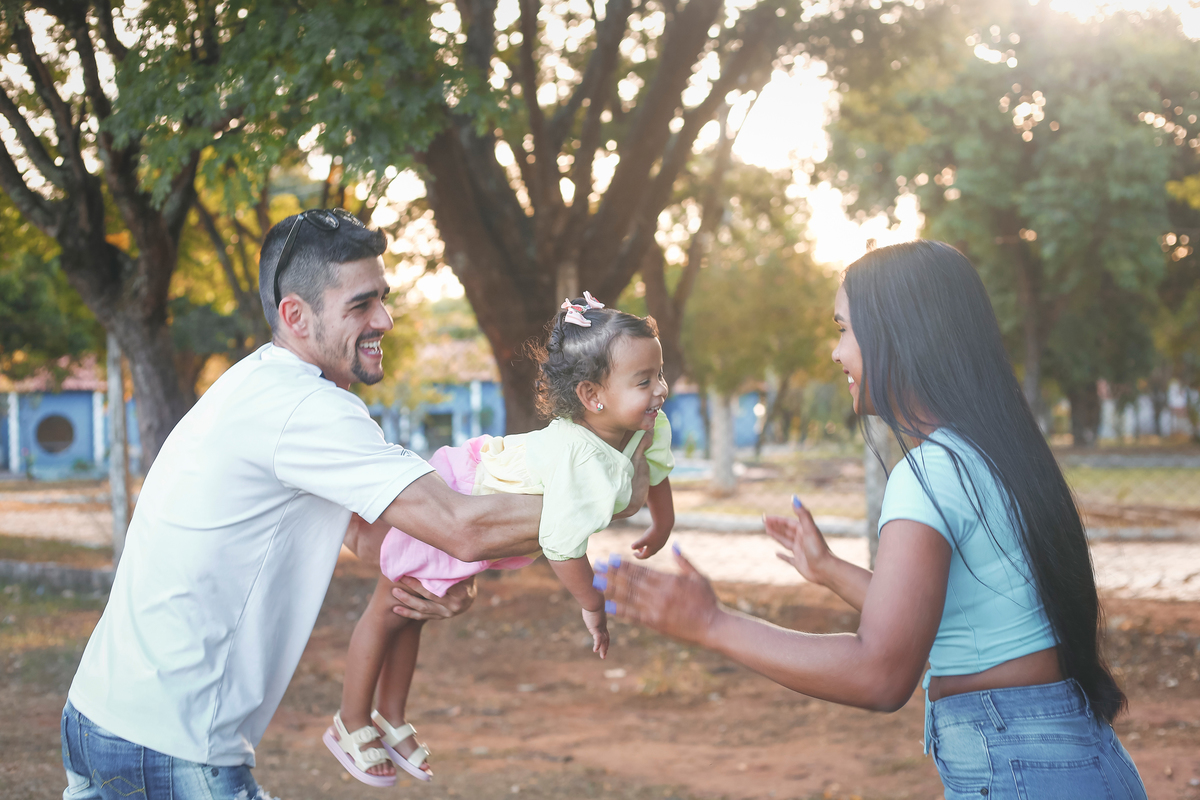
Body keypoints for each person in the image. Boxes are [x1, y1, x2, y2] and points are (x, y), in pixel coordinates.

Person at [60, 209, 648, 800]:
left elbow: (371, 540)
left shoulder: (259, 386)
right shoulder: (308, 411)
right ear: (296, 315)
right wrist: (611, 493)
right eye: (360, 305)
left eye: (383, 299)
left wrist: (438, 575)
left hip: (99, 714)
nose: (385, 320)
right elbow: (461, 527)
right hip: (171, 745)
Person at [599, 241, 1148, 799]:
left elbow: (880, 673)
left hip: (1023, 767)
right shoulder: (992, 451)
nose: (837, 354)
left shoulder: (932, 472)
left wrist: (711, 624)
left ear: (899, 336)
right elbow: (949, 620)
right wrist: (829, 569)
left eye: (844, 330)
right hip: (1077, 758)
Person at [326, 293, 677, 786]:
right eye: (645, 381)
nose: (661, 390)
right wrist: (591, 603)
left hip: (487, 521)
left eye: (660, 374)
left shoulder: (646, 423)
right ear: (593, 395)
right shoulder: (579, 458)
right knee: (390, 605)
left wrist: (663, 521)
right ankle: (351, 719)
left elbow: (657, 470)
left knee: (412, 613)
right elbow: (561, 546)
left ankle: (390, 714)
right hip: (458, 497)